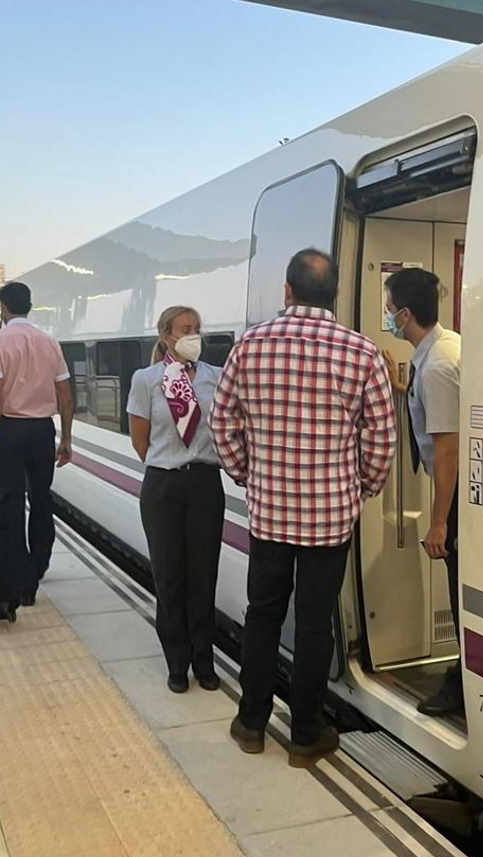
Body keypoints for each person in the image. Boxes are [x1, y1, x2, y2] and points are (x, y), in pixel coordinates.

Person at [214, 248, 396, 768]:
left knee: (263, 614)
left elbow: (222, 424)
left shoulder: (250, 345)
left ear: (287, 291)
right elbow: (381, 440)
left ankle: (251, 723)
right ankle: (305, 734)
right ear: (333, 294)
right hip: (331, 519)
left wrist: (250, 474)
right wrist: (358, 487)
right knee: (315, 625)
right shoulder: (362, 353)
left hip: (270, 515)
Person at [128, 306, 224, 694]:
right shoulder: (146, 380)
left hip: (204, 482)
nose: (194, 336)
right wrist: (168, 463)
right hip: (163, 486)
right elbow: (140, 440)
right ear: (166, 335)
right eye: (186, 329)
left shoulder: (215, 378)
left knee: (203, 576)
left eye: (198, 329)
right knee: (169, 577)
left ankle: (205, 661)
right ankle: (176, 664)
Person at [381, 268, 464, 716]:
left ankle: (463, 686)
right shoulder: (436, 354)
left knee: (458, 593)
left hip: (455, 503)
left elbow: (448, 450)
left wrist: (438, 523)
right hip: (451, 494)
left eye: (390, 309)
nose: (389, 316)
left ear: (407, 313)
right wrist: (399, 386)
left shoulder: (438, 365)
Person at [0, 283, 73, 604]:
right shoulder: (50, 343)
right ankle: (38, 565)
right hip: (43, 431)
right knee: (42, 500)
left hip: (9, 432)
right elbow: (65, 396)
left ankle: (20, 578)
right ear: (29, 305)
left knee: (10, 503)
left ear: (3, 307)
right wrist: (66, 437)